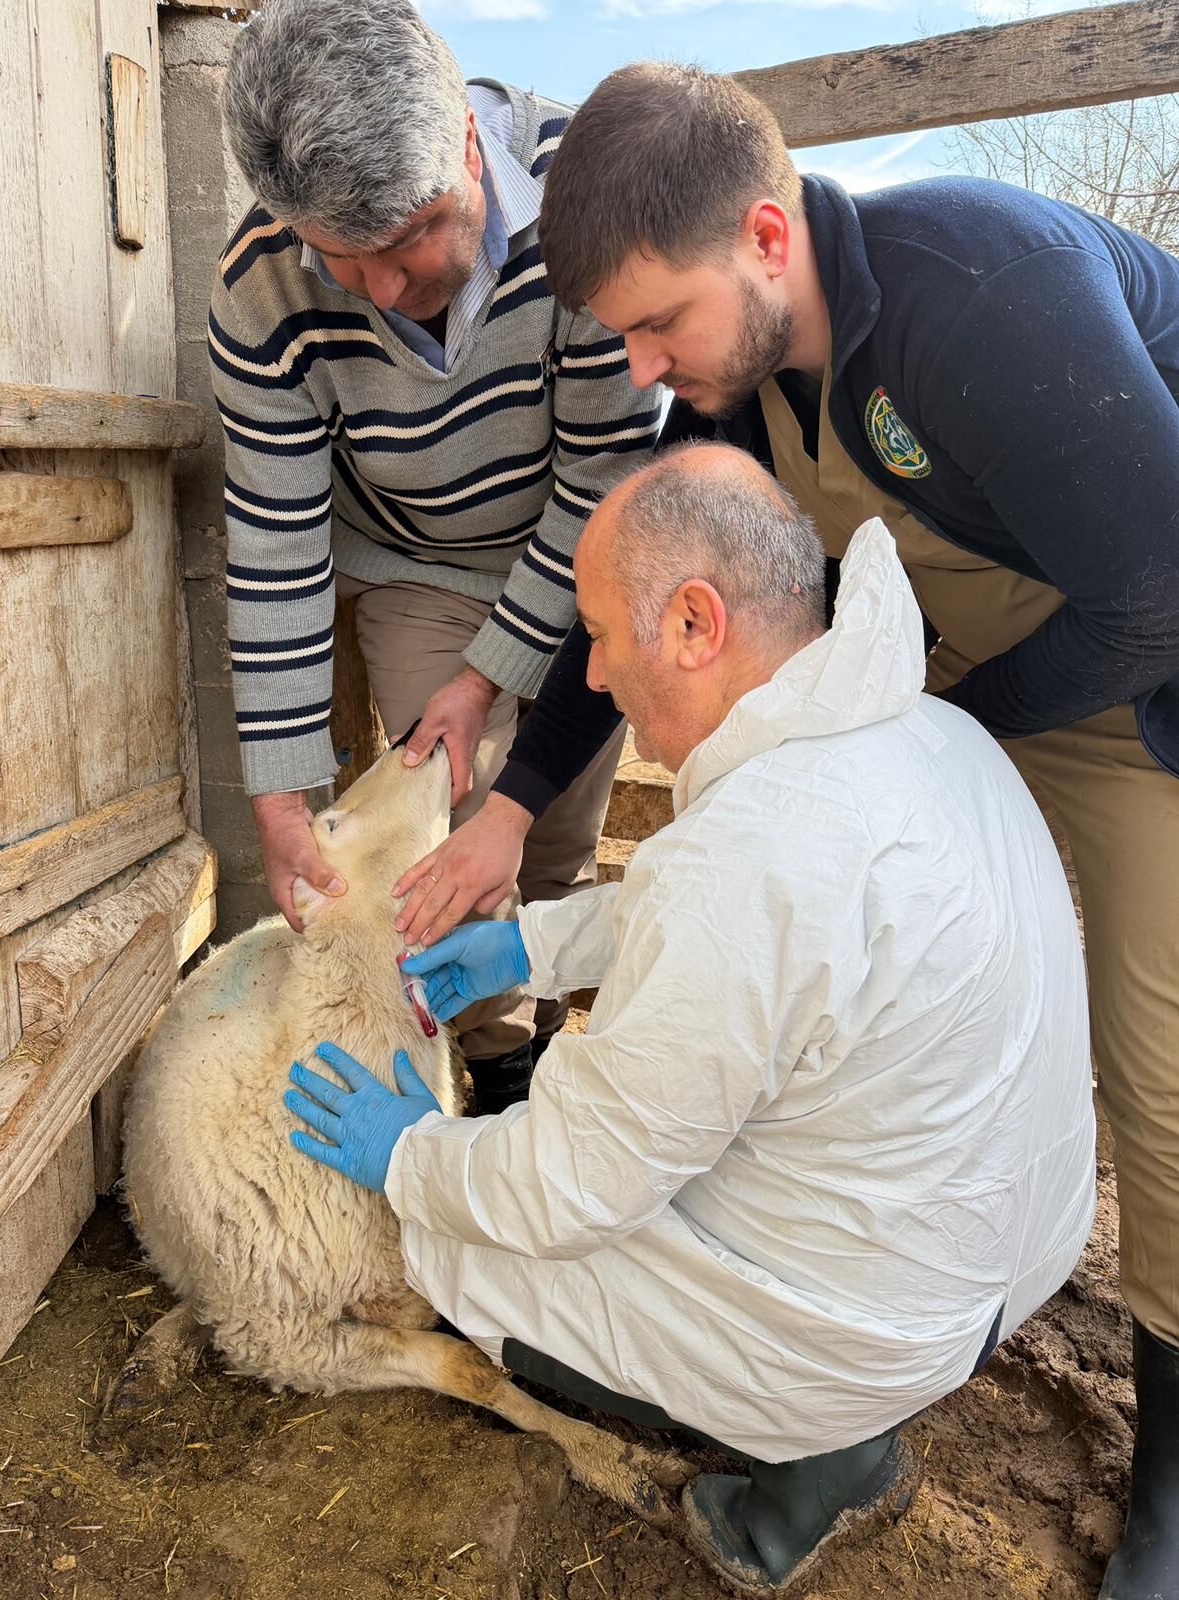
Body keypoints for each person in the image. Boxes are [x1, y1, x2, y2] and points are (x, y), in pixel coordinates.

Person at [389, 65, 1179, 1595]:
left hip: (1132, 671)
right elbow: (630, 601)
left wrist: (943, 729)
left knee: (1163, 1061)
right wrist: (508, 809)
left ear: (765, 235)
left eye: (655, 327)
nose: (638, 367)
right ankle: (852, 1330)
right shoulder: (739, 373)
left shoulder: (980, 297)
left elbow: (1153, 582)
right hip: (955, 670)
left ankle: (1173, 1476)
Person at [285, 444, 1096, 1593]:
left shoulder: (747, 860)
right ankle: (840, 1407)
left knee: (459, 1246)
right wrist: (531, 943)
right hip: (1010, 1251)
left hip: (872, 1327)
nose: (599, 679)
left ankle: (818, 1467)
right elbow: (752, 928)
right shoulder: (927, 738)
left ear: (696, 623)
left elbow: (570, 1185)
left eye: (604, 637)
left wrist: (411, 1154)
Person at [210, 0, 658, 1112]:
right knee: (444, 829)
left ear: (467, 143)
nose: (379, 294)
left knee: (551, 822)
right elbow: (273, 534)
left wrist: (495, 673)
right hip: (416, 557)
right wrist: (280, 796)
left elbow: (606, 472)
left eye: (405, 244)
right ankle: (500, 1082)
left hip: (583, 539)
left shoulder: (587, 206)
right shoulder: (261, 285)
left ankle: (561, 1047)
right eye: (337, 260)